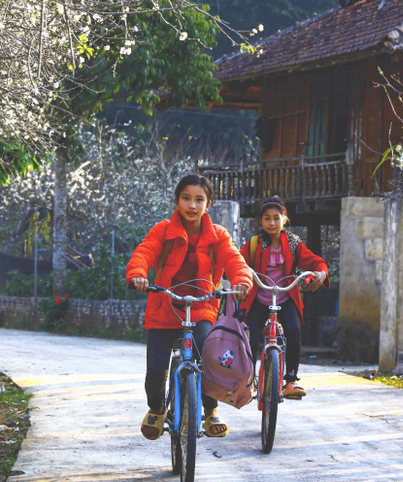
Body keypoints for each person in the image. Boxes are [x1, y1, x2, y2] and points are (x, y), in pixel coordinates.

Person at [126, 174, 251, 440]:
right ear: (176, 201)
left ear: (208, 204)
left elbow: (234, 260)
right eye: (186, 198)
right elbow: (144, 252)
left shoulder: (218, 235)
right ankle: (157, 409)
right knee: (156, 370)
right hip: (164, 306)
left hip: (201, 307)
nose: (192, 205)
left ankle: (211, 411)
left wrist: (241, 280)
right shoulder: (163, 230)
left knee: (209, 360)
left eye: (199, 199)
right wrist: (138, 274)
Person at [239, 196, 329, 399]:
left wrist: (321, 273)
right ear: (260, 221)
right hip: (260, 298)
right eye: (267, 218)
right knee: (250, 336)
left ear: (284, 219)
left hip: (284, 297)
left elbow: (314, 261)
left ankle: (291, 380)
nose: (272, 223)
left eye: (276, 218)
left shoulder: (293, 243)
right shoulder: (254, 243)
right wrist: (238, 278)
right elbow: (238, 262)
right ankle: (249, 381)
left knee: (294, 331)